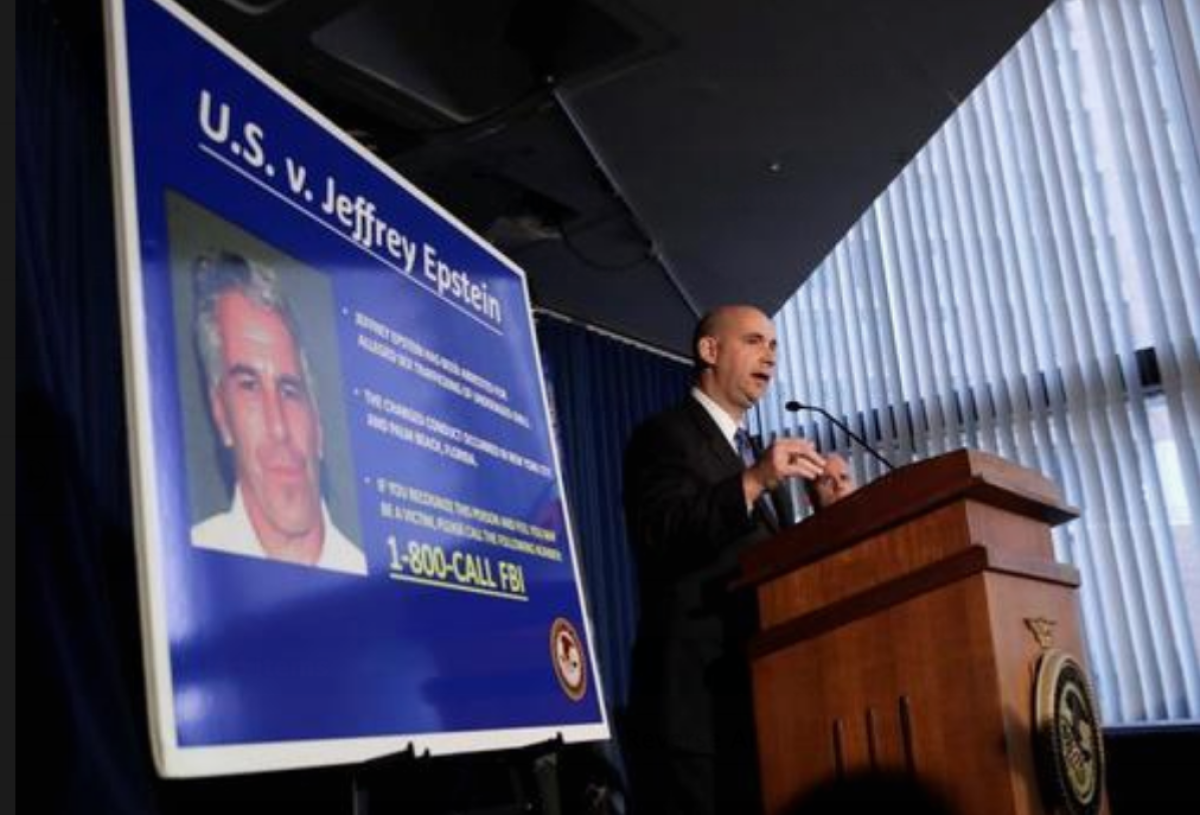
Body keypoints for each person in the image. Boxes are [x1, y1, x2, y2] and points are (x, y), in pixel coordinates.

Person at [622, 305, 825, 814]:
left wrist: (830, 512)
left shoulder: (747, 451)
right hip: (693, 705)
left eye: (774, 346)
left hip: (754, 698)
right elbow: (661, 533)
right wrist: (754, 481)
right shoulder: (664, 434)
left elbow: (771, 565)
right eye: (755, 341)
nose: (770, 357)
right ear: (709, 351)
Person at [189, 251, 367, 576]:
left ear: (318, 422)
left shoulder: (370, 571)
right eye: (249, 387)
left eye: (289, 391)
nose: (279, 428)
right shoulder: (192, 562)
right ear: (221, 415)